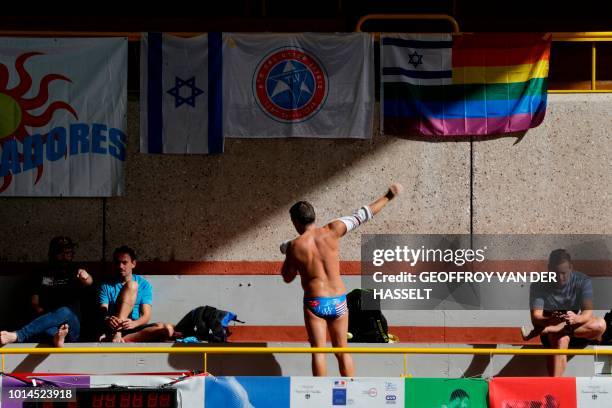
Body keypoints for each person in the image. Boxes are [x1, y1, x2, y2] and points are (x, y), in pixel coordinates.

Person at [280, 183, 403, 376]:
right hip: (338, 301)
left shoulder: (296, 246)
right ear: (314, 216)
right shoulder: (333, 229)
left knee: (318, 352)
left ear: (295, 222)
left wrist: (289, 253)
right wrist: (388, 196)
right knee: (342, 349)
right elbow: (363, 214)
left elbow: (287, 277)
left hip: (315, 303)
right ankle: (349, 394)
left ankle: (322, 399)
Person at [525, 248, 606, 376]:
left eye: (564, 273)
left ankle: (557, 329)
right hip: (551, 332)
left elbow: (587, 312)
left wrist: (575, 319)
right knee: (560, 339)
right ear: (549, 269)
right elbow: (536, 317)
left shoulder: (582, 280)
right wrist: (551, 320)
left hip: (574, 328)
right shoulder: (539, 284)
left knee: (601, 324)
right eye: (556, 273)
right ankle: (556, 389)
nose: (560, 278)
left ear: (571, 268)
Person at [0, 236, 93, 347]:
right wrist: (49, 318)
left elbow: (89, 282)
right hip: (49, 324)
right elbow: (35, 303)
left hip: (72, 326)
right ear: (53, 254)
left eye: (68, 253)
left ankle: (18, 335)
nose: (65, 256)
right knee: (43, 323)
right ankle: (56, 338)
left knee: (64, 311)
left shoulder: (75, 270)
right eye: (61, 253)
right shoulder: (42, 272)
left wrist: (86, 277)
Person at [98, 246, 173, 343]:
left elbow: (146, 316)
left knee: (167, 329)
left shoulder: (144, 284)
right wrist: (108, 319)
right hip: (112, 327)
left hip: (132, 327)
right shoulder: (106, 285)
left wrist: (134, 324)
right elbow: (102, 311)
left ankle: (122, 339)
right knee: (132, 285)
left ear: (133, 264)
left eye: (124, 262)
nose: (120, 266)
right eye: (117, 263)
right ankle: (117, 333)